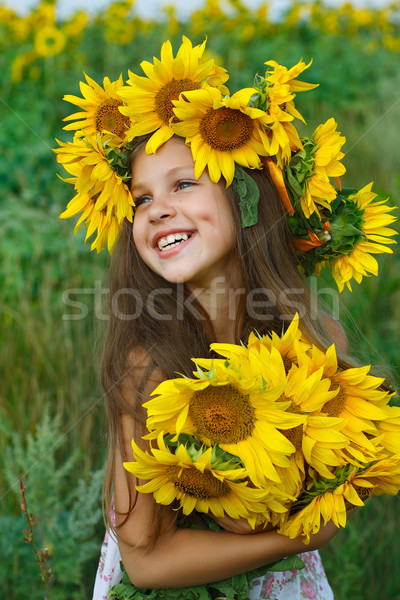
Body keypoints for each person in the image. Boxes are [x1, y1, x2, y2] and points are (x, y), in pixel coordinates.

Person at [55, 37, 397, 600]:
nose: (157, 208)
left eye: (183, 183)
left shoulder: (315, 338)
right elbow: (146, 563)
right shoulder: (150, 362)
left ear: (245, 198)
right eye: (140, 199)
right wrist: (292, 540)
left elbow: (333, 486)